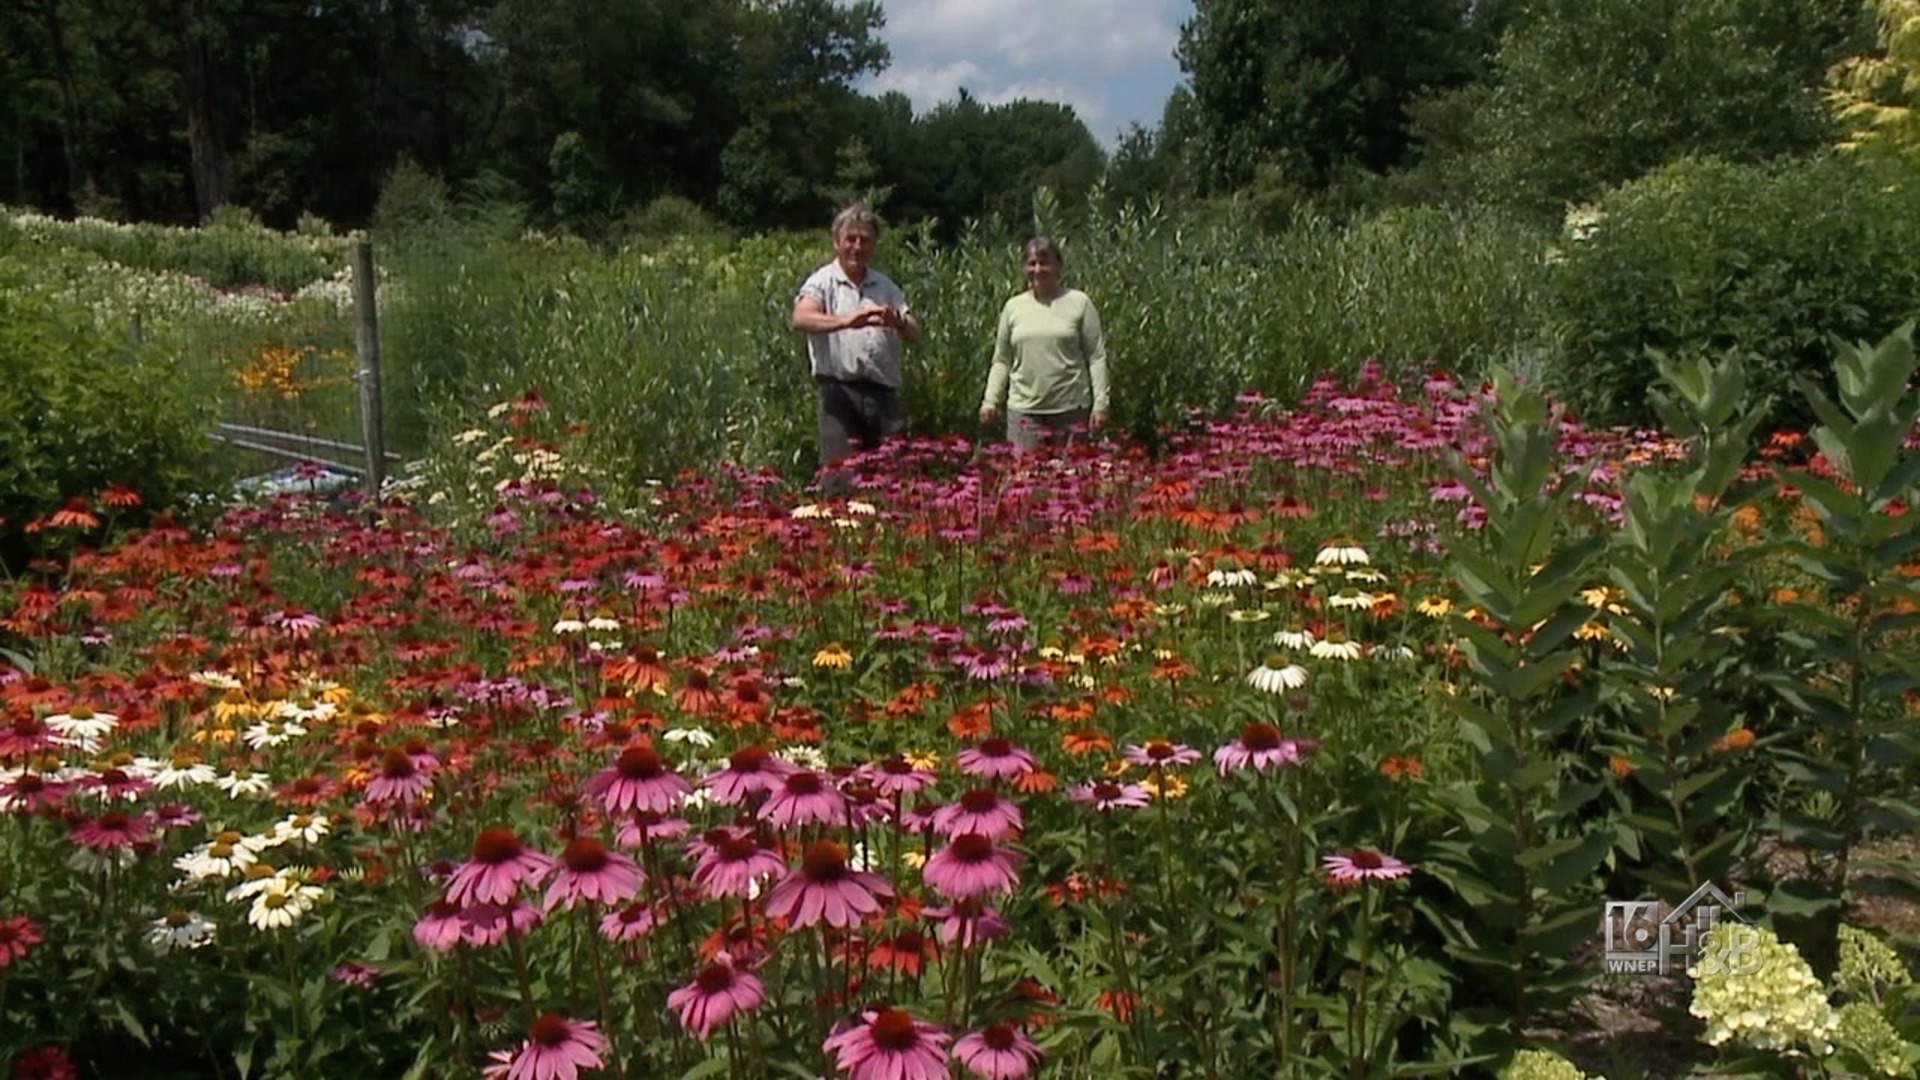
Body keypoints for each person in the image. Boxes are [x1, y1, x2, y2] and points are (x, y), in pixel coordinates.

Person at [791, 204, 920, 493]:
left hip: (883, 395)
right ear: (837, 242)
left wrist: (897, 321)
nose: (857, 246)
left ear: (874, 245)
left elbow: (914, 332)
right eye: (851, 239)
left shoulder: (885, 286)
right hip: (840, 393)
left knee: (893, 480)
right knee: (840, 479)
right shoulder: (823, 282)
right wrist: (847, 320)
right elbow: (801, 318)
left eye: (865, 240)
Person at [978, 236, 1109, 454]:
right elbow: (1001, 360)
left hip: (1070, 411)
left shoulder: (1080, 303)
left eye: (1044, 262)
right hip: (1024, 413)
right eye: (1031, 263)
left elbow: (1096, 356)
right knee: (1025, 480)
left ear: (1058, 266)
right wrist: (990, 401)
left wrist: (1101, 404)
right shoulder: (1013, 307)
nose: (1038, 269)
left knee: (1072, 479)